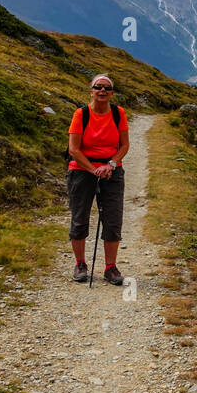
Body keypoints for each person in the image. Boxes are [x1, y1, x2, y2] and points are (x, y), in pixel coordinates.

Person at [66, 74, 130, 285]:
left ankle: (110, 267)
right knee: (79, 216)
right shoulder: (81, 114)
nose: (102, 90)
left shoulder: (118, 113)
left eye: (107, 88)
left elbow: (124, 145)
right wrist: (94, 170)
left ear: (111, 93)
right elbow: (74, 150)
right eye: (98, 87)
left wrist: (110, 165)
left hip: (111, 170)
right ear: (91, 91)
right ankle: (80, 264)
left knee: (113, 218)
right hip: (82, 169)